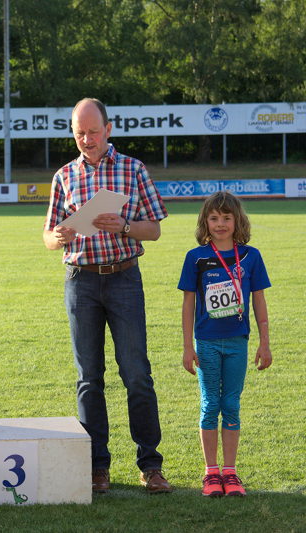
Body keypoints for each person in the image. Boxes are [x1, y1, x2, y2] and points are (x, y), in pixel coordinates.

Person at [43, 98, 172, 494]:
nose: (86, 139)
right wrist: (59, 236)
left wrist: (125, 226)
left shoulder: (133, 169)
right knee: (88, 380)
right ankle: (97, 467)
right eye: (79, 133)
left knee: (137, 375)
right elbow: (48, 236)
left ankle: (150, 466)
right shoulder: (64, 175)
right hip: (80, 281)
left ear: (108, 129)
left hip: (124, 279)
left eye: (93, 132)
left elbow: (154, 229)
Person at [178, 191, 271, 497]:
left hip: (238, 342)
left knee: (231, 404)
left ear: (237, 220)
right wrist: (187, 346)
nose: (220, 224)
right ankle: (210, 473)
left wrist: (264, 342)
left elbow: (259, 299)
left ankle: (229, 473)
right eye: (214, 218)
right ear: (205, 221)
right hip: (206, 342)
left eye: (226, 218)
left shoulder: (251, 256)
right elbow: (188, 304)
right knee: (209, 405)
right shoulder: (196, 257)